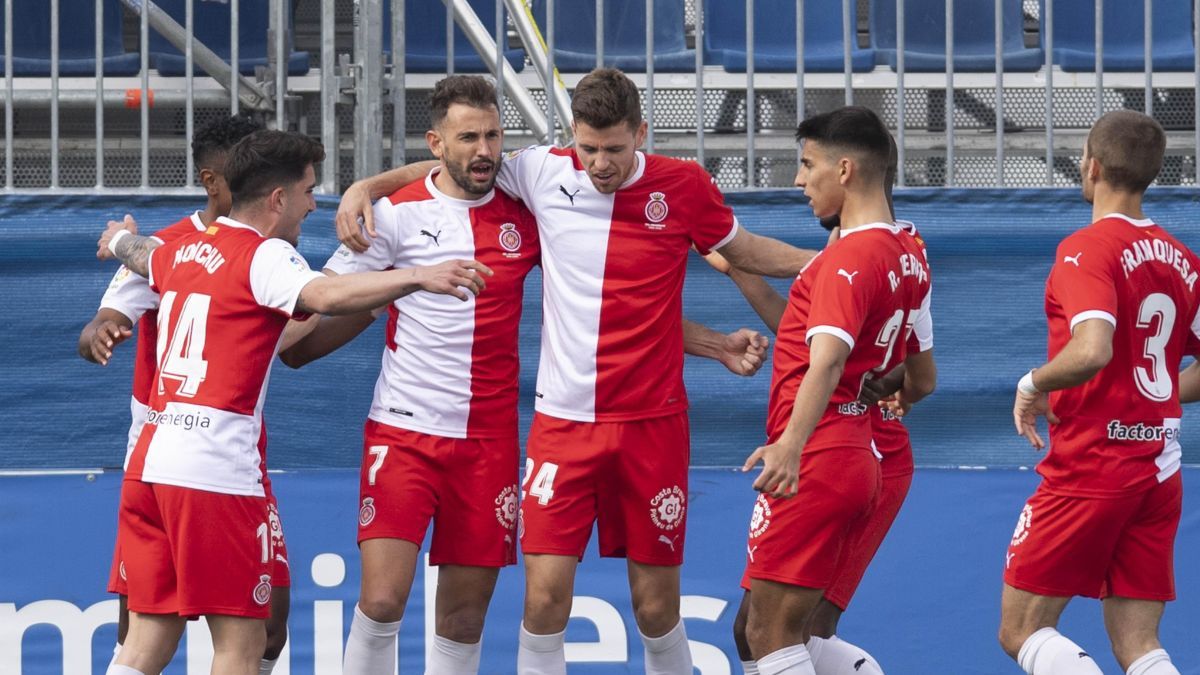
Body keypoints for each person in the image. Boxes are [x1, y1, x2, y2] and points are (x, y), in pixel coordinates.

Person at [334, 67, 812, 675]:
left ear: (642, 133)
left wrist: (819, 263)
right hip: (561, 429)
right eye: (588, 148)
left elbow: (741, 249)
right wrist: (363, 189)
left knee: (657, 608)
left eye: (615, 149)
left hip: (653, 426)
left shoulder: (684, 186)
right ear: (569, 139)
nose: (600, 164)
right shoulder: (540, 171)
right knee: (543, 601)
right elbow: (452, 165)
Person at [96, 129, 493, 675]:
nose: (313, 202)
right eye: (308, 191)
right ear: (278, 199)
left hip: (150, 465)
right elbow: (324, 295)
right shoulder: (264, 256)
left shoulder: (185, 248)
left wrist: (117, 239)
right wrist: (420, 275)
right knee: (241, 645)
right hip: (215, 471)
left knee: (143, 643)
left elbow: (141, 254)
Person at [78, 114, 301, 675]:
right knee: (149, 624)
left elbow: (295, 338)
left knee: (268, 622)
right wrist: (104, 328)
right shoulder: (169, 247)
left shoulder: (263, 250)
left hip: (234, 455)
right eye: (239, 167)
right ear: (211, 179)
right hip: (164, 455)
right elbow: (101, 320)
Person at [705, 133, 936, 675]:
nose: (798, 180)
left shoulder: (851, 259)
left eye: (807, 165)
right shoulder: (907, 251)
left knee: (775, 631)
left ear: (846, 170)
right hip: (859, 449)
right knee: (758, 630)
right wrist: (738, 265)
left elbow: (827, 360)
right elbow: (919, 376)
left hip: (827, 449)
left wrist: (791, 444)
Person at [1002, 110, 1194, 675]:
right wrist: (1153, 400)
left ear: (1090, 165)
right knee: (1139, 646)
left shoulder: (1086, 249)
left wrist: (1031, 383)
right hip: (1159, 467)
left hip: (1093, 463)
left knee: (1021, 630)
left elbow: (1092, 349)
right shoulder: (1182, 260)